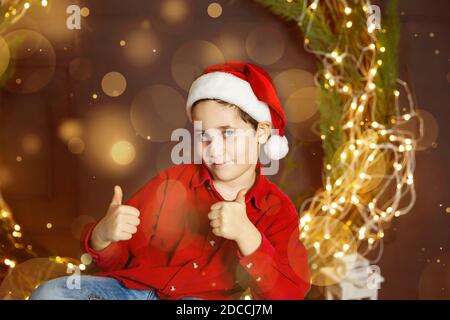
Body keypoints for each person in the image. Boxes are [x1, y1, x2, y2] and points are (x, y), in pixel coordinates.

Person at [30, 61, 311, 300]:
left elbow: (289, 292)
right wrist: (104, 236)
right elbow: (121, 258)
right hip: (134, 291)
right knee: (50, 293)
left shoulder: (276, 209)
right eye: (204, 135)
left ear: (261, 133)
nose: (214, 148)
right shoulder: (172, 183)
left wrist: (247, 235)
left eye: (227, 133)